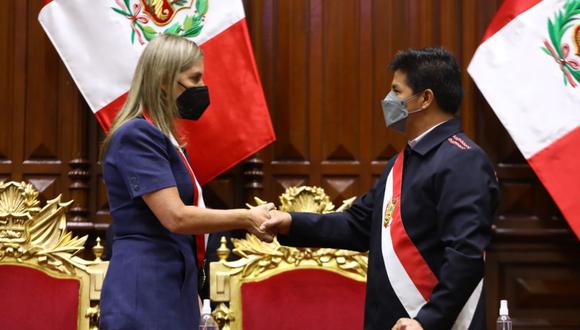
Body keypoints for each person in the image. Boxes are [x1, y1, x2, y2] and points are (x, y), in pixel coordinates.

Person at [263, 47, 499, 330]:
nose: (389, 101)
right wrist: (289, 222)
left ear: (425, 98)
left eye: (397, 92)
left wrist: (427, 321)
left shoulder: (463, 160)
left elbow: (465, 254)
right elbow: (359, 225)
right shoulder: (402, 162)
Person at [99, 34, 275, 330]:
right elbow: (175, 217)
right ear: (165, 80)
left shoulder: (166, 138)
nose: (201, 88)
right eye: (193, 79)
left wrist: (199, 308)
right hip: (145, 291)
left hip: (173, 285)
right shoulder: (138, 136)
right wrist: (247, 217)